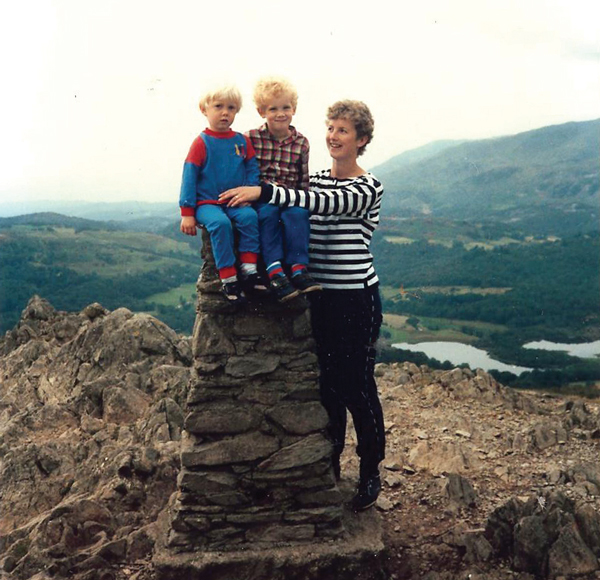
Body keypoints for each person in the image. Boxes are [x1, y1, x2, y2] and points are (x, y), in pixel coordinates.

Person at [220, 100, 385, 511]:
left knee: (357, 386)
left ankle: (370, 471)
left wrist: (264, 190)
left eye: (343, 130)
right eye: (330, 127)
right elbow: (289, 207)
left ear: (361, 140)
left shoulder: (368, 188)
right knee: (328, 387)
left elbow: (316, 204)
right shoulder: (314, 180)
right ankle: (329, 465)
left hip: (356, 299)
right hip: (320, 297)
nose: (333, 136)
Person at [179, 84, 267, 304]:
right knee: (220, 224)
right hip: (207, 203)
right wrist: (187, 212)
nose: (225, 112)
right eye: (218, 106)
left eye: (231, 108)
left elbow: (251, 169)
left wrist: (248, 192)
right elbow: (189, 176)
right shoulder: (202, 142)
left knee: (249, 218)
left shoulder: (241, 141)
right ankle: (229, 278)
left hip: (235, 201)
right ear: (204, 109)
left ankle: (249, 270)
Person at [247, 76, 321, 302]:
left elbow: (303, 179)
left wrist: (304, 201)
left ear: (294, 109)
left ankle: (298, 268)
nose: (281, 113)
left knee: (297, 215)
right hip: (263, 198)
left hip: (291, 198)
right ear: (261, 111)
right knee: (268, 215)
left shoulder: (302, 143)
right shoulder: (251, 138)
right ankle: (274, 270)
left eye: (286, 107)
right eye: (273, 108)